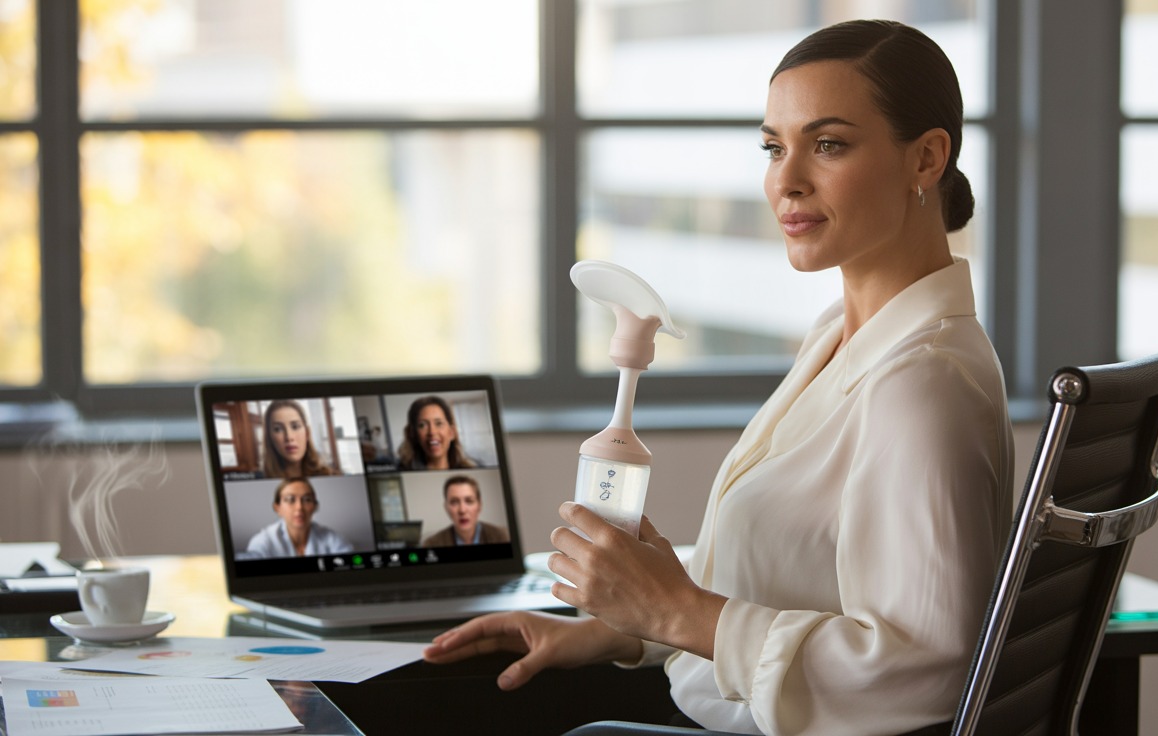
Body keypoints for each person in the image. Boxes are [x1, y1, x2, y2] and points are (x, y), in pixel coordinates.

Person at [422, 19, 1014, 736]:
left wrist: (674, 609)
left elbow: (927, 669)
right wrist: (620, 629)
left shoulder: (921, 383)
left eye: (828, 144)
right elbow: (791, 585)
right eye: (774, 147)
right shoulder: (841, 335)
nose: (785, 181)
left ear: (926, 158)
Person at [245, 478, 354, 558]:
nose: (299, 507)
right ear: (277, 508)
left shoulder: (333, 539)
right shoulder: (263, 541)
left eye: (307, 499)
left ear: (315, 506)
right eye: (290, 499)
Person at [421, 475, 510, 547]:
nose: (462, 510)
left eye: (469, 501)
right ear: (446, 507)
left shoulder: (501, 537)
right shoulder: (431, 544)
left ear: (479, 505)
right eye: (454, 502)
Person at [397, 395, 479, 470]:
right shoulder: (401, 470)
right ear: (413, 434)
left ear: (452, 432)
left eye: (439, 423)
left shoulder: (473, 468)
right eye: (422, 425)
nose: (432, 432)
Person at [262, 399, 338, 478]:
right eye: (278, 429)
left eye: (295, 427)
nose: (289, 437)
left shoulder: (330, 477)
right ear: (269, 438)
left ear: (307, 433)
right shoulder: (261, 480)